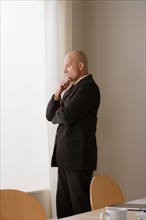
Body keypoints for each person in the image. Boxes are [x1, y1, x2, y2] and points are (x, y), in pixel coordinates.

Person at [46, 50, 100, 219]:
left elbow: (66, 116)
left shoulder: (89, 87)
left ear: (81, 66)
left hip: (78, 159)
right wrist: (57, 93)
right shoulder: (70, 89)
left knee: (80, 208)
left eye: (68, 66)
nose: (65, 71)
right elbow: (50, 115)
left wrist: (60, 114)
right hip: (64, 158)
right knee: (64, 208)